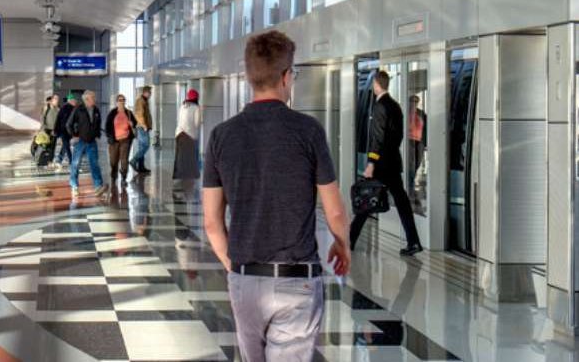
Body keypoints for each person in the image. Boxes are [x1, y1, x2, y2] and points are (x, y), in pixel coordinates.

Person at [202, 30, 352, 362]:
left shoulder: (221, 136)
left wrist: (237, 267)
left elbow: (212, 223)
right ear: (286, 77)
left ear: (248, 77)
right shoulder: (308, 130)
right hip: (296, 281)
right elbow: (335, 211)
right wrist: (342, 244)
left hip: (245, 279)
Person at [350, 70, 425, 256]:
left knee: (366, 200)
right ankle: (413, 241)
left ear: (376, 84)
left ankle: (349, 241)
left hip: (380, 164)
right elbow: (398, 136)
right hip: (392, 162)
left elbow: (377, 137)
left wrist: (371, 162)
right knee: (401, 201)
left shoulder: (380, 107)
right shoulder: (395, 106)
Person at [68, 90, 105, 195]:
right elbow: (68, 124)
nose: (95, 99)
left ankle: (98, 185)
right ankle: (74, 185)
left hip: (91, 141)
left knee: (94, 163)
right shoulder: (78, 109)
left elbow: (98, 123)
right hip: (80, 142)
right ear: (87, 99)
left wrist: (97, 134)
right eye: (93, 97)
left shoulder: (96, 110)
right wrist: (74, 135)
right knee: (76, 164)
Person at [104, 94, 138, 186]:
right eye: (120, 100)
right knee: (113, 160)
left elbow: (135, 122)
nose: (122, 101)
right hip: (114, 141)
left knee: (124, 159)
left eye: (123, 99)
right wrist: (109, 136)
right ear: (117, 102)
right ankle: (114, 175)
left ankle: (123, 177)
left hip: (126, 139)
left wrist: (132, 124)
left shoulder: (129, 113)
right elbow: (107, 126)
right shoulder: (112, 113)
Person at [173, 89, 203, 190]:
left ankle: (179, 176)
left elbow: (179, 120)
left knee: (180, 157)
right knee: (190, 157)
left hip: (179, 134)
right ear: (196, 98)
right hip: (189, 135)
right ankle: (189, 178)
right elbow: (197, 123)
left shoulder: (182, 106)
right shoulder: (196, 108)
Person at [406, 95, 427, 192]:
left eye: (416, 102)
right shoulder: (405, 113)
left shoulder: (421, 114)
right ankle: (409, 183)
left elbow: (426, 127)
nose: (414, 104)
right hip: (409, 141)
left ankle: (411, 179)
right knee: (410, 163)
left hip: (419, 142)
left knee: (417, 162)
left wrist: (426, 142)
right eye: (412, 102)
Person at [132, 86, 155, 173]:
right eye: (149, 92)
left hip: (143, 127)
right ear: (145, 92)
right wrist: (144, 125)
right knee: (146, 145)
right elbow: (138, 114)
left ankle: (141, 167)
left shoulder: (144, 100)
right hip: (142, 127)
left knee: (142, 146)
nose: (151, 94)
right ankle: (134, 160)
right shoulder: (140, 100)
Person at [39, 94, 62, 167]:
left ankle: (50, 161)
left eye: (58, 99)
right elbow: (42, 119)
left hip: (54, 130)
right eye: (56, 99)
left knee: (53, 147)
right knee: (45, 146)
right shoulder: (46, 108)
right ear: (52, 100)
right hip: (47, 130)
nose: (57, 101)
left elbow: (59, 120)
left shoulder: (58, 109)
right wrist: (43, 130)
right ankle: (43, 160)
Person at [56, 93, 78, 165]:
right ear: (71, 101)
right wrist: (56, 130)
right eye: (74, 101)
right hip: (64, 131)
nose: (76, 102)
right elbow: (59, 119)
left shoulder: (71, 108)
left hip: (67, 131)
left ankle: (60, 158)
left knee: (65, 145)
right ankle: (71, 160)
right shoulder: (67, 108)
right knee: (67, 145)